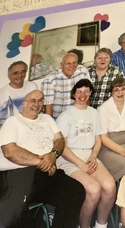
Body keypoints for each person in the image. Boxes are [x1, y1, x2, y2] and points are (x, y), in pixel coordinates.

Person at [0, 90, 86, 228]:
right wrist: (43, 162)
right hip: (17, 175)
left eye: (40, 100)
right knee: (15, 210)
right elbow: (9, 151)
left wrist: (53, 155)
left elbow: (59, 140)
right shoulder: (13, 121)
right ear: (24, 103)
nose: (37, 104)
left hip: (45, 174)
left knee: (76, 190)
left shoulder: (47, 119)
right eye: (32, 100)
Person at [56, 79, 116, 228]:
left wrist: (93, 156)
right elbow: (61, 147)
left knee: (109, 187)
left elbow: (98, 140)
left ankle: (101, 224)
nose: (82, 95)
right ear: (73, 94)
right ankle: (84, 226)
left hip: (89, 155)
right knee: (94, 190)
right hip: (69, 158)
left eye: (86, 91)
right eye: (79, 91)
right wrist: (80, 164)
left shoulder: (94, 113)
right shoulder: (65, 116)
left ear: (90, 93)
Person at [97, 77, 125, 181]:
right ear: (111, 92)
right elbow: (104, 138)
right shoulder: (103, 109)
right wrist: (123, 151)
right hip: (109, 148)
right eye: (116, 90)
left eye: (123, 89)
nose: (120, 92)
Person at [41, 52, 90, 119]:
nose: (71, 66)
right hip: (57, 119)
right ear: (61, 65)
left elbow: (86, 96)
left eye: (74, 63)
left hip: (77, 118)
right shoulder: (50, 79)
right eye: (68, 63)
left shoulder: (83, 72)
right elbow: (48, 107)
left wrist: (86, 117)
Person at [0, 60, 37, 129]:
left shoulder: (32, 86)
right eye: (15, 73)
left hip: (30, 125)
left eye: (23, 72)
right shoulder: (2, 93)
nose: (20, 75)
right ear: (9, 76)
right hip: (11, 128)